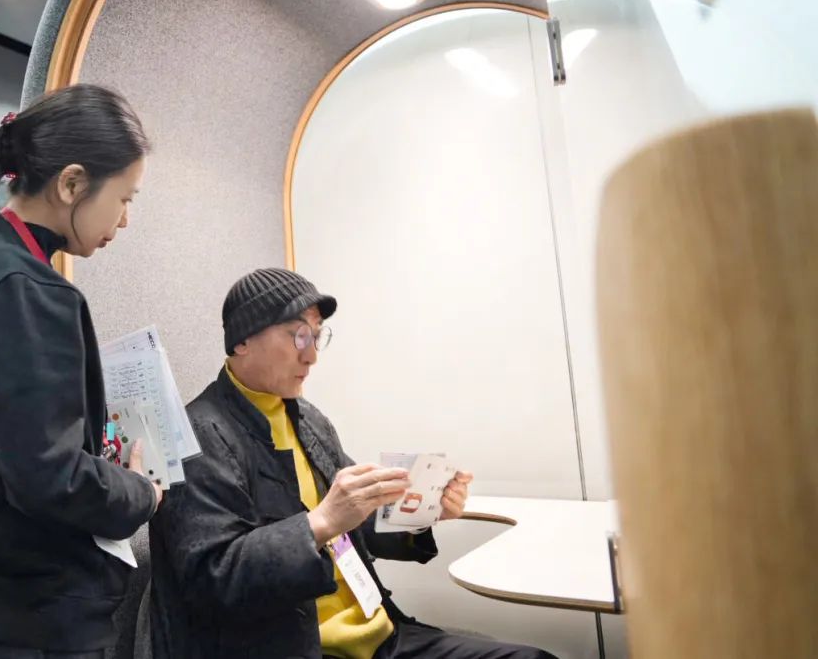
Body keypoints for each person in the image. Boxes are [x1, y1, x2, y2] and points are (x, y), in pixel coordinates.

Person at [150, 268, 557, 659]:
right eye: (299, 336)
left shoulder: (307, 418)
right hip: (300, 647)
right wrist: (321, 522)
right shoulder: (198, 435)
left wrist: (423, 510)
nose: (312, 356)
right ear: (242, 341)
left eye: (317, 337)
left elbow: (358, 519)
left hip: (383, 636)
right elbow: (214, 578)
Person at [0, 84, 163, 658]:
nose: (125, 220)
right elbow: (50, 475)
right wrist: (139, 493)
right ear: (71, 184)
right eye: (124, 198)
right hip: (29, 613)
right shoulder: (20, 288)